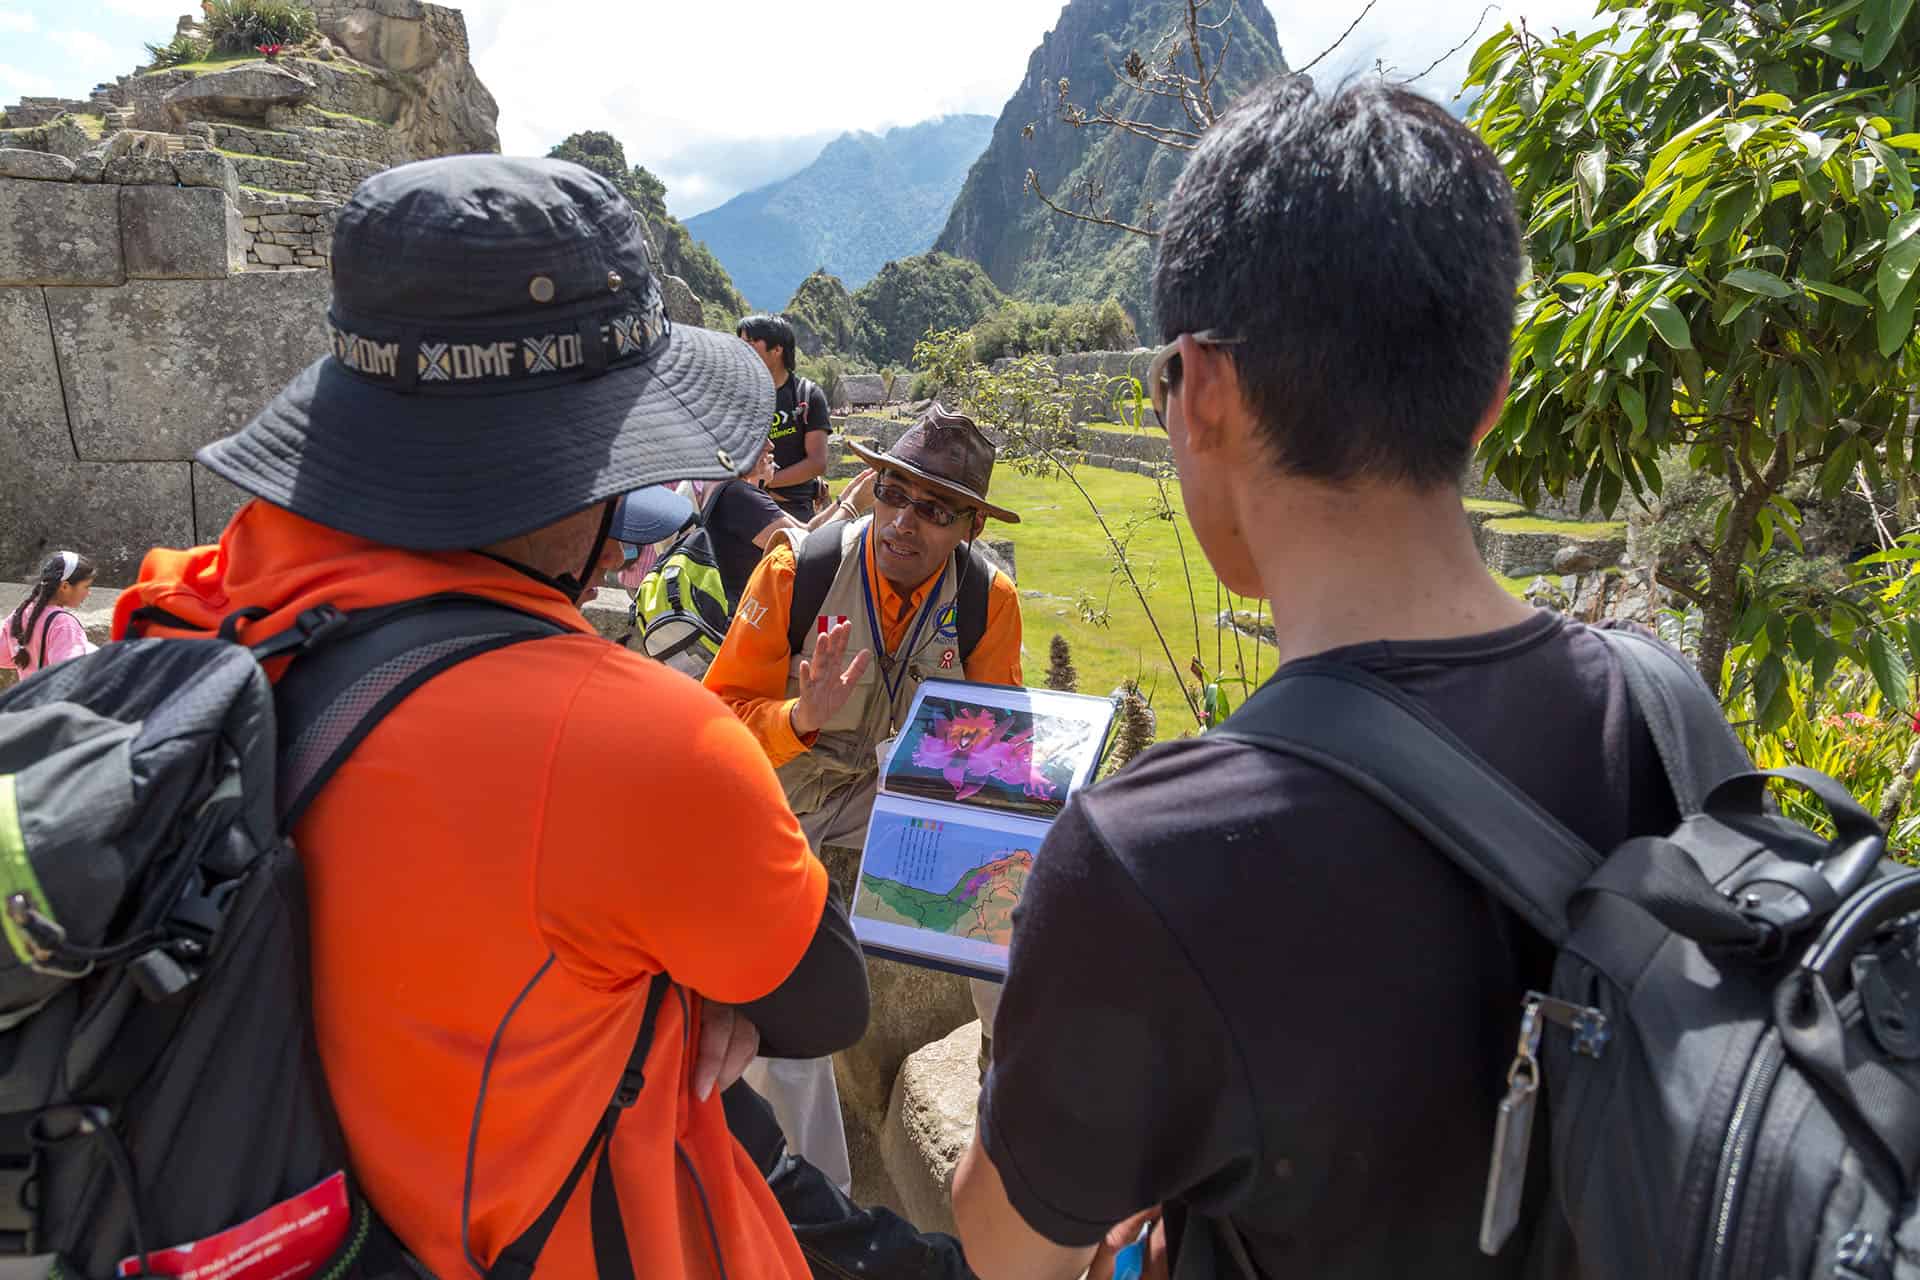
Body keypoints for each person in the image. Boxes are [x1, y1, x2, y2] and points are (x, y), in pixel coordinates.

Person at [951, 79, 1682, 1280]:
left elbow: (1004, 1245)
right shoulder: (1669, 717)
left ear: (1206, 387)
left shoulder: (1150, 860)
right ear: (1491, 399)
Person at [113, 155, 869, 1280]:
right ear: (573, 465)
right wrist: (674, 990)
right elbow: (823, 1000)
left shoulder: (190, 611)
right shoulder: (639, 750)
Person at [703, 403, 1025, 1191]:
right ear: (873, 487)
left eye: (936, 508)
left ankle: (1017, 1129)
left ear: (969, 528)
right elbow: (714, 725)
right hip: (792, 788)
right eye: (892, 491)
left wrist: (989, 770)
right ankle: (821, 1204)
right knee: (788, 1007)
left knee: (1015, 906)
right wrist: (798, 717)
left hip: (901, 788)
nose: (904, 520)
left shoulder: (989, 603)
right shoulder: (796, 573)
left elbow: (1005, 743)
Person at [703, 442, 878, 610]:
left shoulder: (735, 490)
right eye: (760, 437)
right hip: (749, 615)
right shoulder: (739, 495)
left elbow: (807, 530)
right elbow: (807, 551)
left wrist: (845, 497)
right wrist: (854, 505)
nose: (770, 445)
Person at [738, 314, 833, 520]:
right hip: (745, 507)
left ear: (777, 350)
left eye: (750, 343)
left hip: (794, 509)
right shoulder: (739, 396)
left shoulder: (807, 396)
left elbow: (817, 462)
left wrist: (766, 481)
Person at [3, 551, 97, 679]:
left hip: (30, 698)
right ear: (65, 586)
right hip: (52, 698)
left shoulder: (20, 614)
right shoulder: (63, 624)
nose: (88, 593)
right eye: (86, 587)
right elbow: (69, 675)